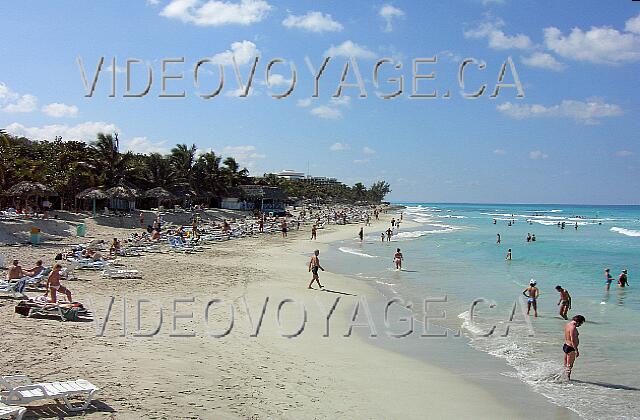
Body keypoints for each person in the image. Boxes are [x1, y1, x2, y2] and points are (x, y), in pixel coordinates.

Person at [563, 315, 586, 380]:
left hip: (566, 346)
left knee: (565, 365)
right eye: (581, 323)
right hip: (571, 348)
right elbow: (572, 340)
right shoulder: (573, 328)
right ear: (578, 322)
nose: (580, 325)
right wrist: (576, 350)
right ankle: (567, 379)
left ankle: (563, 377)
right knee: (569, 365)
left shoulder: (568, 324)